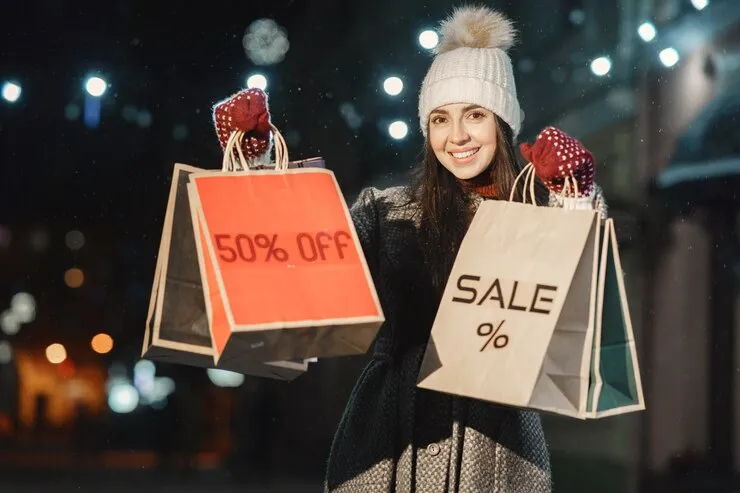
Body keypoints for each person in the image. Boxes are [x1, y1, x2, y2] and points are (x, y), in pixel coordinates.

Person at [324, 6, 607, 493]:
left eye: (474, 115)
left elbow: (588, 277)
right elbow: (306, 261)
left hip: (495, 444)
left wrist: (574, 193)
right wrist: (256, 159)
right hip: (385, 440)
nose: (456, 137)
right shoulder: (384, 210)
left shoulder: (536, 212)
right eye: (439, 119)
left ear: (502, 123)